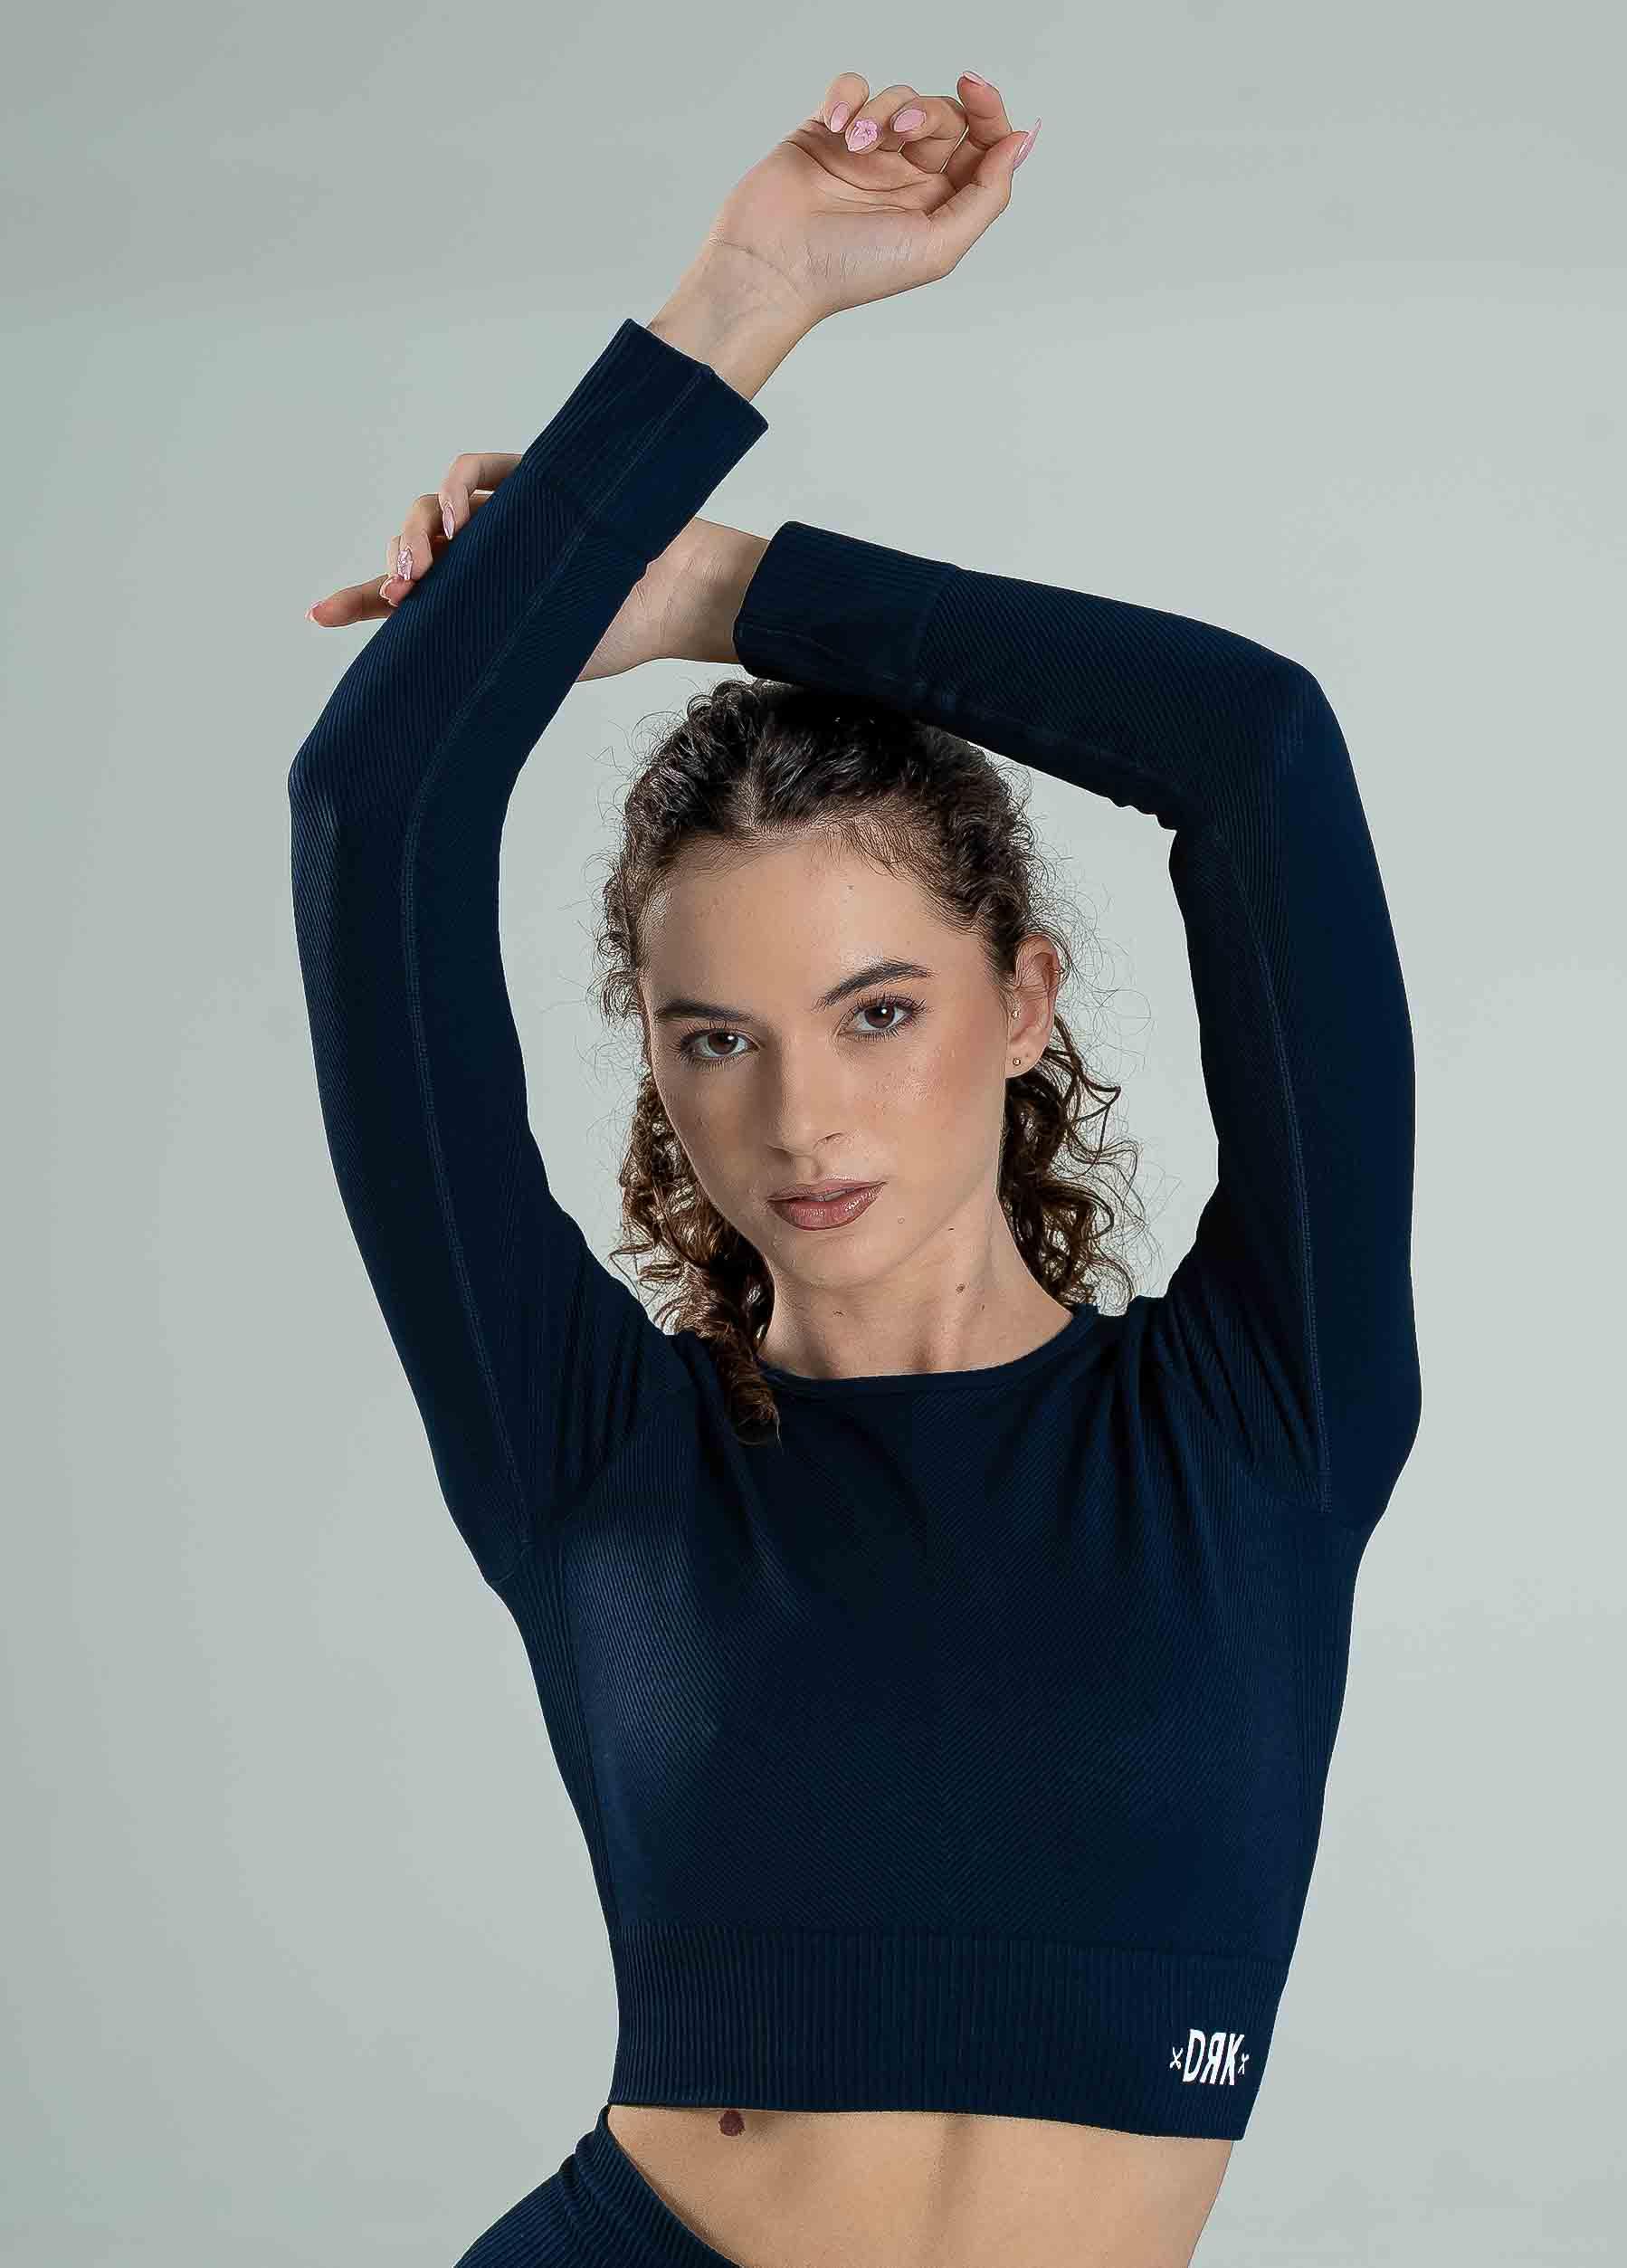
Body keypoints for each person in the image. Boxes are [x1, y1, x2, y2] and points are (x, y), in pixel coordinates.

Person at [290, 67, 1420, 2268]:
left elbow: (1256, 747)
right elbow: (375, 805)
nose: (799, 1118)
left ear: (1025, 995)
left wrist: (719, 586)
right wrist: (748, 289)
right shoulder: (589, 1446)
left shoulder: (1261, 1422)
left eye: (878, 1009)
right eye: (715, 1035)